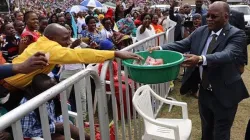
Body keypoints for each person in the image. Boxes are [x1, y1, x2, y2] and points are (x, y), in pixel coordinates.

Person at [150, 2, 249, 140]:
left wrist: (201, 59)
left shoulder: (237, 34)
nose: (209, 19)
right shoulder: (201, 30)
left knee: (221, 134)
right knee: (206, 130)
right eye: (207, 15)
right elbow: (183, 44)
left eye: (214, 16)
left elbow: (228, 54)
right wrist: (161, 48)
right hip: (204, 92)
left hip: (225, 93)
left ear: (226, 17)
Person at [2, 23, 143, 111]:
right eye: (65, 39)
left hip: (14, 85)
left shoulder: (42, 42)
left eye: (69, 37)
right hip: (6, 89)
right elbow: (80, 55)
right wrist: (115, 53)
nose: (69, 41)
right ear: (52, 38)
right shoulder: (52, 48)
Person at [20, 73, 89, 140]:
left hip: (54, 127)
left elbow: (56, 116)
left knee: (84, 136)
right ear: (40, 92)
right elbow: (26, 133)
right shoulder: (27, 105)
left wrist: (64, 125)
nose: (54, 95)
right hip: (39, 134)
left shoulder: (51, 96)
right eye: (50, 93)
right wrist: (54, 127)